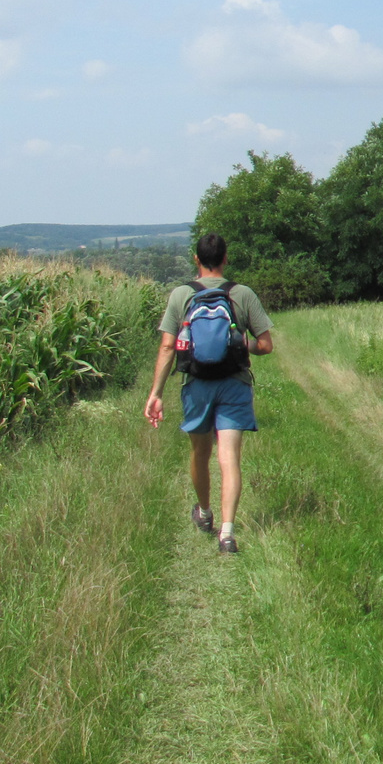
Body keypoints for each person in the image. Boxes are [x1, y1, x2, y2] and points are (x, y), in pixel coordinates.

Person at [144, 233, 274, 553]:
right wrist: (244, 343)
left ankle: (204, 514)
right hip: (234, 383)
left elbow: (167, 346)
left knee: (199, 453)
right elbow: (266, 345)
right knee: (229, 457)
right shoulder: (242, 294)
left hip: (196, 385)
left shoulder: (181, 295)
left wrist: (156, 393)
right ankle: (227, 534)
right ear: (226, 259)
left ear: (196, 259)